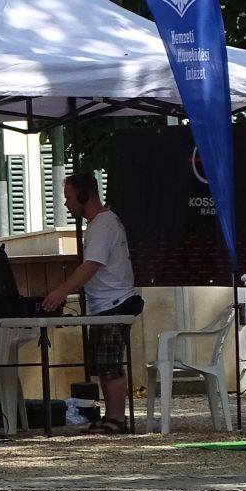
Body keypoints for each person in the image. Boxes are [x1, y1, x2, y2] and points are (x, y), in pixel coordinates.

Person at [41, 171, 140, 435]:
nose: (66, 204)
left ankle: (117, 418)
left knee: (110, 364)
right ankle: (111, 416)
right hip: (104, 303)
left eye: (69, 197)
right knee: (102, 364)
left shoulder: (103, 225)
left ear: (84, 196)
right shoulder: (99, 225)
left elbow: (90, 266)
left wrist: (61, 292)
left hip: (114, 302)